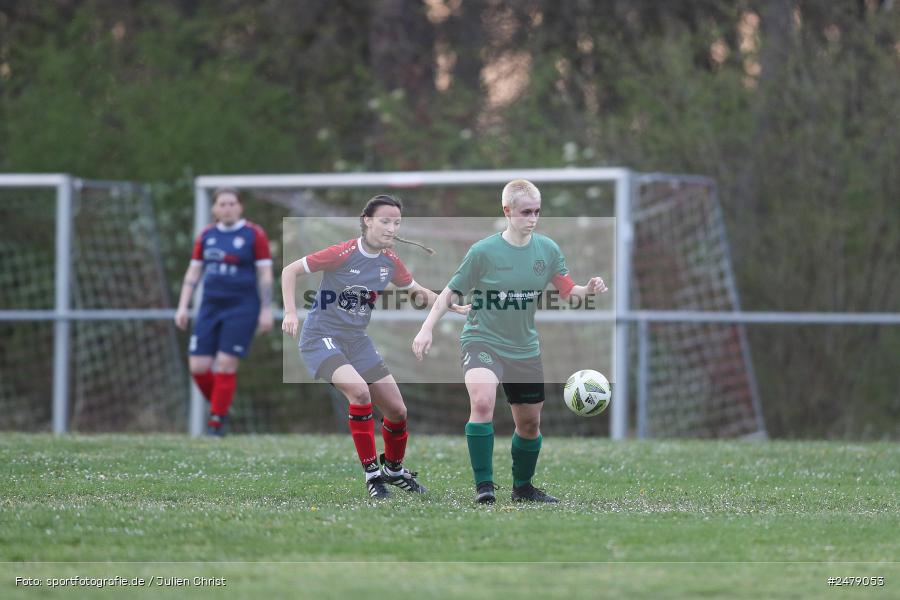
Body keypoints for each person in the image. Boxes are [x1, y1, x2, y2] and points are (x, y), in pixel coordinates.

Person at [412, 180, 608, 504]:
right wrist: (426, 328)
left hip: (524, 348)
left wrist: (588, 289)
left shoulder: (547, 250)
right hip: (481, 339)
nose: (532, 218)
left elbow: (569, 291)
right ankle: (484, 487)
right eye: (525, 212)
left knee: (529, 424)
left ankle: (523, 488)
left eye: (537, 212)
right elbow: (449, 293)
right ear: (507, 211)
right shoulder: (483, 252)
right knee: (482, 401)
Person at [282, 194, 468, 499]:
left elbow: (417, 291)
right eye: (385, 221)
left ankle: (393, 470)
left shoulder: (390, 261)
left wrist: (454, 307)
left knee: (397, 411)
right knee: (359, 393)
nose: (391, 228)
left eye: (396, 222)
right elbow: (290, 270)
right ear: (367, 221)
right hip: (321, 337)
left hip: (356, 341)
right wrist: (291, 312)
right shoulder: (342, 252)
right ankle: (372, 476)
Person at [175, 188, 274, 436]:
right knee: (198, 366)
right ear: (214, 208)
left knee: (226, 363)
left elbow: (264, 275)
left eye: (232, 203)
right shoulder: (207, 236)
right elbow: (194, 272)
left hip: (242, 306)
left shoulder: (254, 234)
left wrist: (265, 309)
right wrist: (183, 305)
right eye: (222, 204)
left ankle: (216, 423)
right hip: (210, 306)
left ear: (240, 207)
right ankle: (222, 406)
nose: (227, 208)